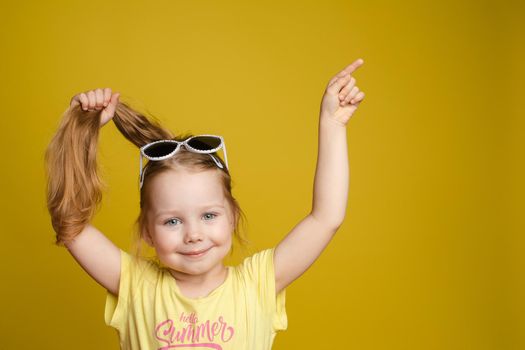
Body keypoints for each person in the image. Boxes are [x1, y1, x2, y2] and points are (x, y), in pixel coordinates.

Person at [44, 58, 365, 349]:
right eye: (172, 221)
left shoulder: (257, 286)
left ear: (233, 217)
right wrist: (80, 130)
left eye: (209, 215)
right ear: (146, 231)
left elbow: (326, 217)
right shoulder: (135, 288)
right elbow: (70, 225)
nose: (193, 234)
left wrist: (333, 125)